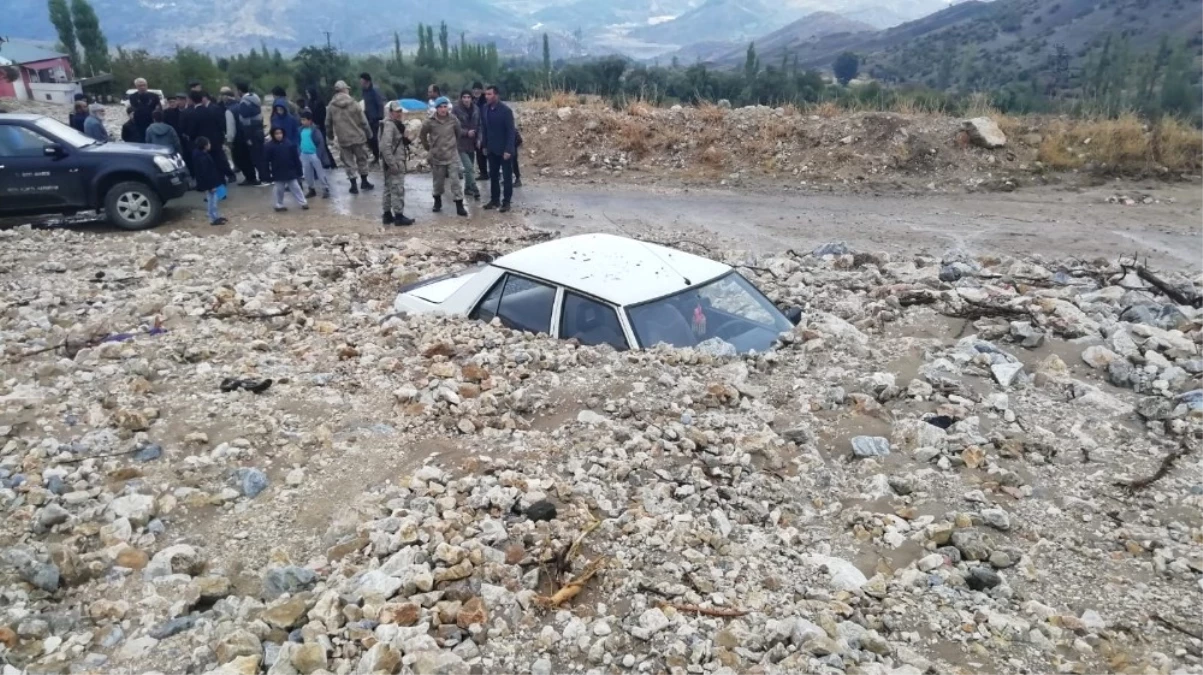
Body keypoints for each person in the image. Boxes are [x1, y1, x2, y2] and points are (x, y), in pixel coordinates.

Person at [420, 97, 468, 217]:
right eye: (440, 107)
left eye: (445, 107)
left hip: (451, 155)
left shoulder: (453, 119)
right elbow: (422, 134)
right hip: (437, 156)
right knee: (438, 182)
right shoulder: (430, 121)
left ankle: (459, 205)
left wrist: (453, 144)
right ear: (436, 108)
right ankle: (437, 201)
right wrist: (428, 148)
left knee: (455, 181)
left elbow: (458, 132)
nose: (443, 109)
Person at [325, 80, 374, 194]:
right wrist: (369, 133)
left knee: (348, 162)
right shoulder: (354, 103)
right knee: (362, 159)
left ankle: (353, 185)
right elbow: (363, 121)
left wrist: (330, 136)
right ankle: (364, 182)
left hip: (343, 139)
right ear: (344, 90)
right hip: (358, 137)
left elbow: (328, 123)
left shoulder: (331, 106)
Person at [479, 85, 516, 212]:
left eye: (489, 94)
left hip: (504, 150)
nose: (487, 96)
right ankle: (495, 200)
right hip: (491, 148)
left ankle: (506, 202)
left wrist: (508, 150)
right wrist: (484, 145)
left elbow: (511, 132)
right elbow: (484, 129)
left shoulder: (506, 111)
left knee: (506, 177)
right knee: (493, 176)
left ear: (496, 95)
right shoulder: (484, 109)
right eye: (486, 94)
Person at [186, 91, 236, 183]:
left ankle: (216, 180)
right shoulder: (210, 109)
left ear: (192, 100)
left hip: (203, 142)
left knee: (209, 162)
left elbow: (192, 130)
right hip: (215, 139)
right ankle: (227, 176)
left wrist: (190, 137)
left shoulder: (193, 113)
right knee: (219, 159)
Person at [379, 101, 414, 226]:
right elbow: (385, 146)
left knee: (388, 188)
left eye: (400, 111)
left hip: (391, 161)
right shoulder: (390, 126)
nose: (399, 114)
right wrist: (392, 164)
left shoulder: (393, 124)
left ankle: (387, 214)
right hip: (394, 162)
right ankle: (399, 216)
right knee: (397, 188)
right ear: (390, 112)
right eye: (396, 111)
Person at [265, 127, 308, 212]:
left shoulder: (289, 144)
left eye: (280, 133)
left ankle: (303, 203)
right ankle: (279, 205)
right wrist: (267, 174)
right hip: (278, 172)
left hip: (290, 171)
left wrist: (299, 171)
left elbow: (296, 158)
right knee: (279, 190)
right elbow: (266, 161)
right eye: (276, 134)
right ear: (273, 135)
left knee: (296, 188)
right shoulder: (269, 146)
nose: (279, 135)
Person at [236, 82, 270, 184]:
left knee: (256, 157)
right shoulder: (255, 99)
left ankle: (264, 178)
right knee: (262, 155)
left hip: (252, 133)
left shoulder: (244, 103)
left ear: (240, 91)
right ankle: (267, 176)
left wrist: (247, 137)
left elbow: (245, 121)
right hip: (259, 131)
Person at [451, 90, 481, 202]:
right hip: (461, 143)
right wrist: (466, 132)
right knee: (468, 168)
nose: (466, 99)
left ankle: (467, 189)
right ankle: (474, 187)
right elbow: (454, 126)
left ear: (471, 98)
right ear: (461, 98)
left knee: (471, 167)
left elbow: (479, 125)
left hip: (472, 143)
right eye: (464, 97)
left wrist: (479, 139)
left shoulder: (476, 109)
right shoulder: (456, 110)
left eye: (468, 97)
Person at [221, 87, 255, 185]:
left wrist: (229, 141)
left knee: (240, 160)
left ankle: (249, 178)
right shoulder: (240, 105)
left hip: (237, 139)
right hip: (245, 136)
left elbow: (231, 128)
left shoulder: (229, 110)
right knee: (248, 159)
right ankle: (252, 176)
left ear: (226, 97)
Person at [192, 136, 227, 226]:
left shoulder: (199, 155)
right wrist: (211, 186)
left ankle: (214, 216)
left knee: (211, 199)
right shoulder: (202, 157)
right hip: (209, 184)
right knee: (212, 200)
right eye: (208, 143)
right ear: (205, 146)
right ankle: (213, 218)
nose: (210, 145)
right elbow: (206, 173)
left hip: (208, 183)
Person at [298, 111, 331, 199]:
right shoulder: (300, 130)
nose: (303, 122)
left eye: (304, 120)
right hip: (304, 154)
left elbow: (320, 143)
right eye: (301, 120)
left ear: (310, 120)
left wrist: (318, 154)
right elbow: (298, 142)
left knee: (320, 173)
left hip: (314, 154)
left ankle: (325, 188)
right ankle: (311, 189)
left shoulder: (315, 130)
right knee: (308, 174)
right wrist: (299, 152)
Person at [359, 72, 385, 163]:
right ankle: (375, 155)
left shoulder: (374, 91)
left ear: (367, 81)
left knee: (374, 138)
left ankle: (378, 156)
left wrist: (380, 117)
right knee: (368, 138)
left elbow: (380, 104)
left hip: (375, 119)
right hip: (367, 118)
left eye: (361, 81)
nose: (360, 83)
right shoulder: (364, 91)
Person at [128, 78, 161, 142]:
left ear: (147, 85)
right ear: (136, 86)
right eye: (140, 85)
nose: (142, 87)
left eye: (144, 85)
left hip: (152, 122)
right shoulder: (133, 97)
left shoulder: (154, 96)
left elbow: (159, 109)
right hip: (139, 123)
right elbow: (133, 108)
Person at [471, 82, 488, 179]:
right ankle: (483, 172)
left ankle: (489, 172)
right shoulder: (472, 100)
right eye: (474, 89)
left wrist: (480, 137)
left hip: (485, 129)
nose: (476, 91)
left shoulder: (485, 101)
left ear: (482, 90)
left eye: (478, 89)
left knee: (485, 151)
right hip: (475, 129)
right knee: (479, 153)